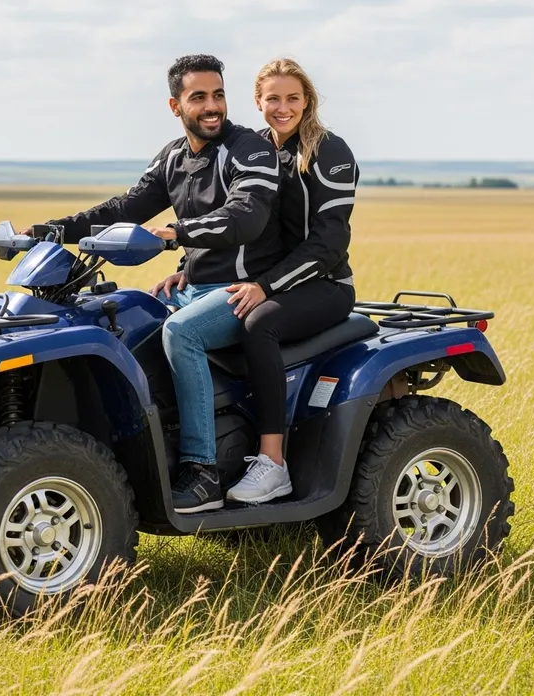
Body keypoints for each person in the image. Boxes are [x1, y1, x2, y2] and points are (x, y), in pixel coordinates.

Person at [21, 54, 285, 514]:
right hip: (195, 285)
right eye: (198, 97)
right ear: (174, 105)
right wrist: (50, 230)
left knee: (182, 332)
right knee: (128, 314)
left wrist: (177, 234)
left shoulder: (249, 150)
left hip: (245, 288)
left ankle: (202, 470)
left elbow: (247, 215)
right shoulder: (174, 157)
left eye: (218, 95)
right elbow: (125, 207)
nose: (212, 106)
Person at [222, 58, 358, 503]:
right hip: (273, 280)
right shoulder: (255, 149)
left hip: (326, 285)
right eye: (274, 98)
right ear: (258, 102)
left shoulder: (329, 151)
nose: (283, 107)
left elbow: (329, 244)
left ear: (307, 101)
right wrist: (190, 268)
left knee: (260, 325)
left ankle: (273, 463)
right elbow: (241, 222)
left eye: (293, 98)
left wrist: (266, 286)